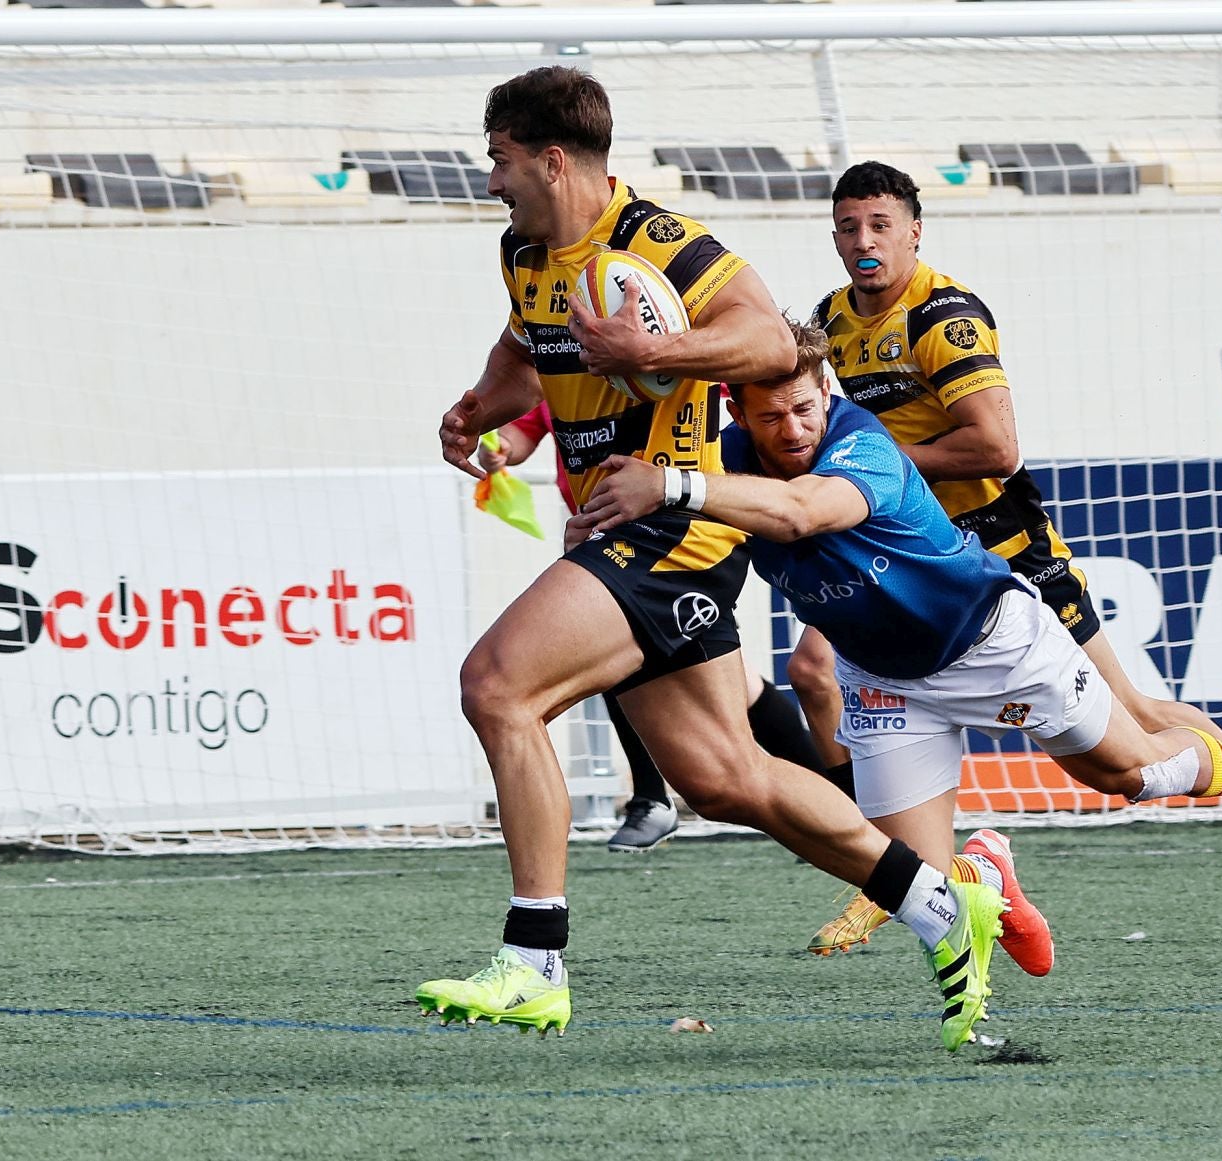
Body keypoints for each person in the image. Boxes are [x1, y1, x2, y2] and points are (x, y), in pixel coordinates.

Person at [418, 66, 1006, 1053]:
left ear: (552, 159)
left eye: (503, 161)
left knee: (497, 686)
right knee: (724, 778)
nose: (493, 181)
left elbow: (773, 341)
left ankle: (535, 960)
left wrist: (657, 350)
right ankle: (944, 909)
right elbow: (528, 345)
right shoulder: (526, 249)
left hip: (669, 531)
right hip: (619, 532)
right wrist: (495, 415)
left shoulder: (658, 243)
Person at [574, 320, 1222, 984]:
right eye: (772, 415)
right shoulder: (724, 456)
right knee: (908, 875)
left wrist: (672, 486)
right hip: (883, 678)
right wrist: (606, 528)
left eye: (805, 408)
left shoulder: (860, 446)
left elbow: (803, 514)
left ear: (828, 397)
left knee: (1130, 772)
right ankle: (989, 876)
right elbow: (682, 532)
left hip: (991, 641)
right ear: (740, 409)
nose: (793, 429)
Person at [792, 160, 1222, 953]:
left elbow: (997, 446)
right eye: (847, 226)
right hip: (908, 554)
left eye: (879, 225)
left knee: (1134, 724)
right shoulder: (831, 319)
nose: (863, 242)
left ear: (914, 230)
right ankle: (886, 865)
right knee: (813, 672)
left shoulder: (944, 317)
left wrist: (879, 468)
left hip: (1000, 547)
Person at [479, 402, 826, 852]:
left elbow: (737, 388)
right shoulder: (558, 377)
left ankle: (845, 813)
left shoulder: (662, 362)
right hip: (608, 543)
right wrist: (498, 448)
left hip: (680, 542)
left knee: (733, 757)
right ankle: (843, 812)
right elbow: (520, 436)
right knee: (728, 726)